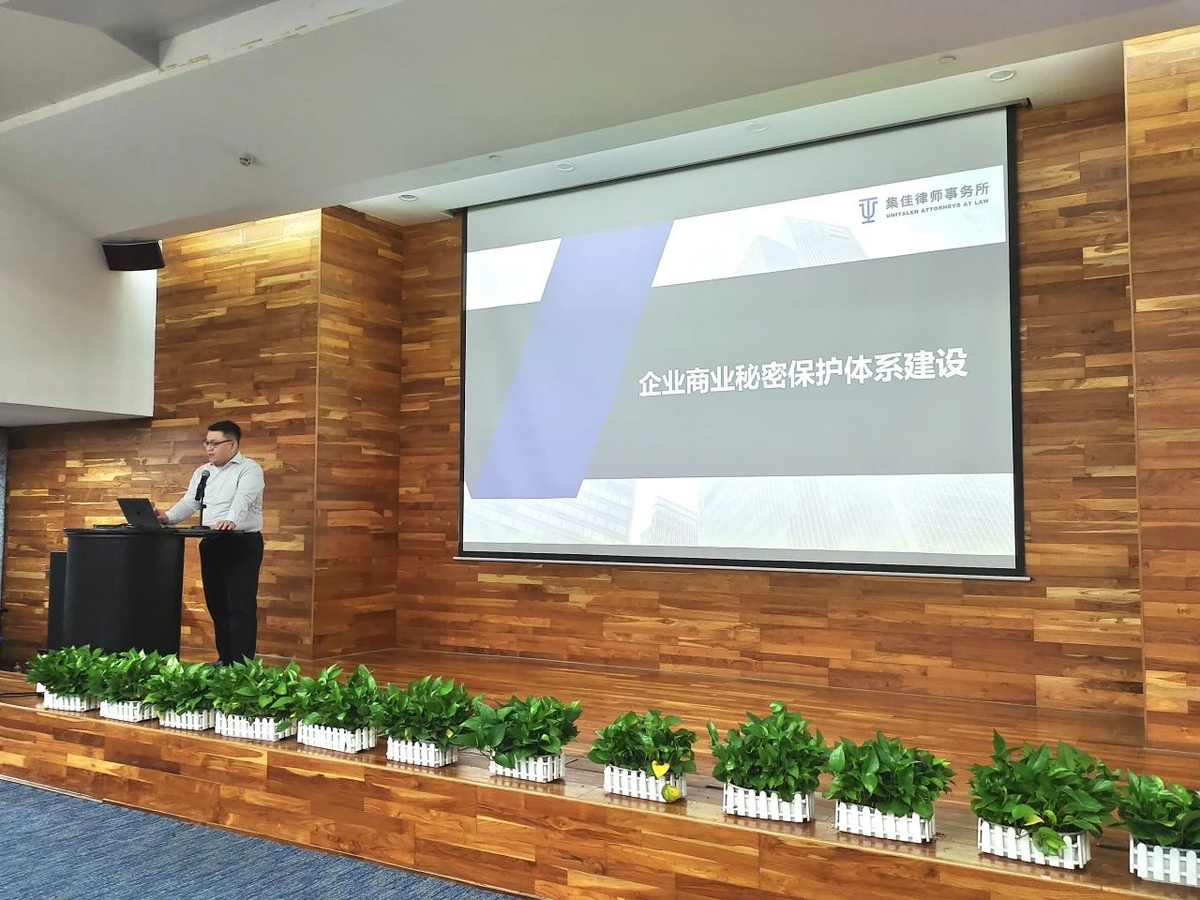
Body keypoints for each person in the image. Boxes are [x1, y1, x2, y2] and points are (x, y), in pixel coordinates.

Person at [155, 420, 265, 666]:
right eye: (206, 443)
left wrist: (230, 520)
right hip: (212, 542)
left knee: (240, 605)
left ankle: (241, 666)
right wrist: (167, 517)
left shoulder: (250, 469)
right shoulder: (203, 472)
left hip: (241, 543)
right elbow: (190, 502)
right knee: (217, 604)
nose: (209, 448)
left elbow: (243, 499)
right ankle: (224, 660)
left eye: (214, 443)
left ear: (232, 444)